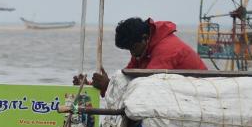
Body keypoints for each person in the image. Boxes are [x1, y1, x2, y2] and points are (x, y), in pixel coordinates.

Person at [74, 17, 206, 95]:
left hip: (198, 95)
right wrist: (90, 86)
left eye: (132, 48)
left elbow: (145, 89)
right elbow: (125, 77)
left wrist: (108, 86)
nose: (132, 53)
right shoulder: (143, 49)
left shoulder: (167, 50)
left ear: (144, 38)